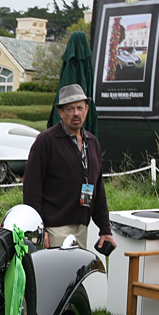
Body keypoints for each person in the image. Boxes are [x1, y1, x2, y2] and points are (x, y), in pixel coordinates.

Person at [23, 84, 116, 251]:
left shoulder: (92, 142)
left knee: (78, 276)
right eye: (70, 109)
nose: (76, 113)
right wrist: (39, 228)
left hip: (82, 228)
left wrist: (105, 229)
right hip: (54, 229)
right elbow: (32, 188)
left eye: (80, 108)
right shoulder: (46, 141)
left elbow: (98, 188)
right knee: (55, 275)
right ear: (61, 112)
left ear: (87, 109)